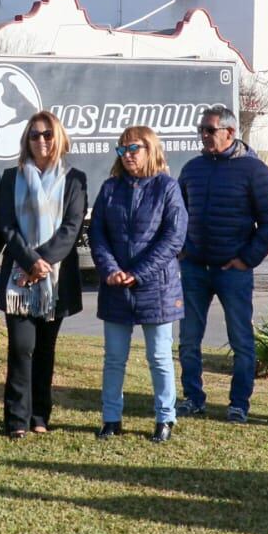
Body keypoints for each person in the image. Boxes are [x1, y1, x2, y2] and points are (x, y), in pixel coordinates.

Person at [176, 106, 268, 423]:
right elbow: (177, 214)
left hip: (232, 272)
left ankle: (239, 403)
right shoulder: (192, 169)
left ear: (229, 132)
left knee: (241, 341)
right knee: (189, 340)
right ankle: (193, 398)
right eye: (201, 130)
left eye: (210, 130)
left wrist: (246, 259)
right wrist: (182, 248)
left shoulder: (254, 171)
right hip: (194, 269)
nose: (204, 136)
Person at [89, 126, 188, 443]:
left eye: (133, 148)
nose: (127, 155)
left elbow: (173, 238)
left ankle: (165, 418)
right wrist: (110, 269)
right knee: (114, 357)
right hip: (116, 287)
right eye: (122, 150)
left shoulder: (167, 188)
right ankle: (111, 418)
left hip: (156, 288)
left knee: (159, 357)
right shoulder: (110, 188)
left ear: (151, 149)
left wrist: (139, 272)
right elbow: (97, 234)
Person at [0, 111, 87, 439]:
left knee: (45, 350)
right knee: (21, 348)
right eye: (35, 135)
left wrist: (44, 261)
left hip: (56, 281)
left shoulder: (75, 179)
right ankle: (16, 418)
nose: (42, 140)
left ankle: (39, 415)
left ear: (58, 137)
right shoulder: (10, 177)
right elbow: (5, 225)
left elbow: (71, 228)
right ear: (26, 140)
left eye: (47, 134)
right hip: (18, 277)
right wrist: (30, 260)